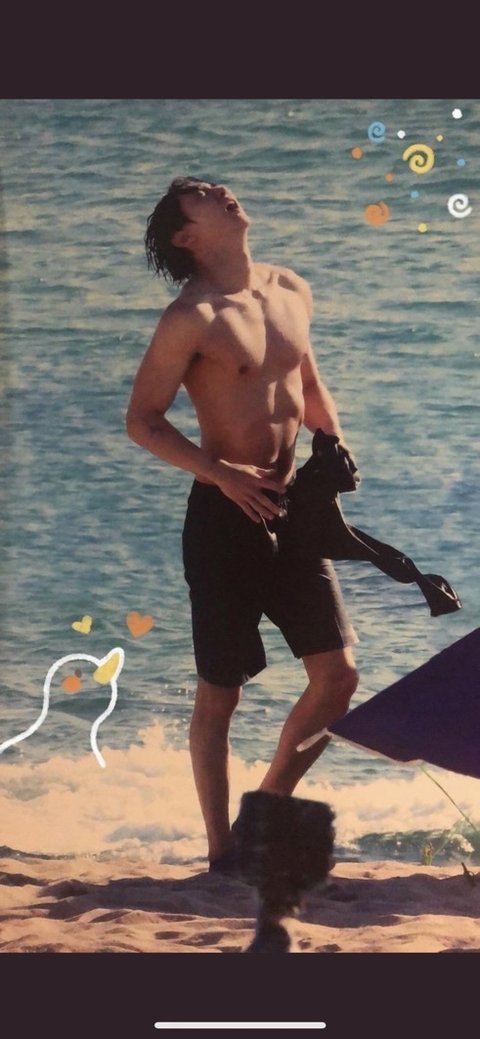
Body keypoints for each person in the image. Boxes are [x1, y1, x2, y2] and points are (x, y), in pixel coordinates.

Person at [126, 176, 359, 874]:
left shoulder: (290, 288)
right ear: (186, 237)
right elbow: (142, 420)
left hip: (294, 514)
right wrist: (218, 473)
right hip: (223, 520)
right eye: (201, 195)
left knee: (338, 677)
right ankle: (221, 850)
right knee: (220, 694)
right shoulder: (190, 317)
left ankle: (264, 809)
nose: (221, 191)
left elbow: (306, 384)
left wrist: (333, 443)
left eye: (216, 186)